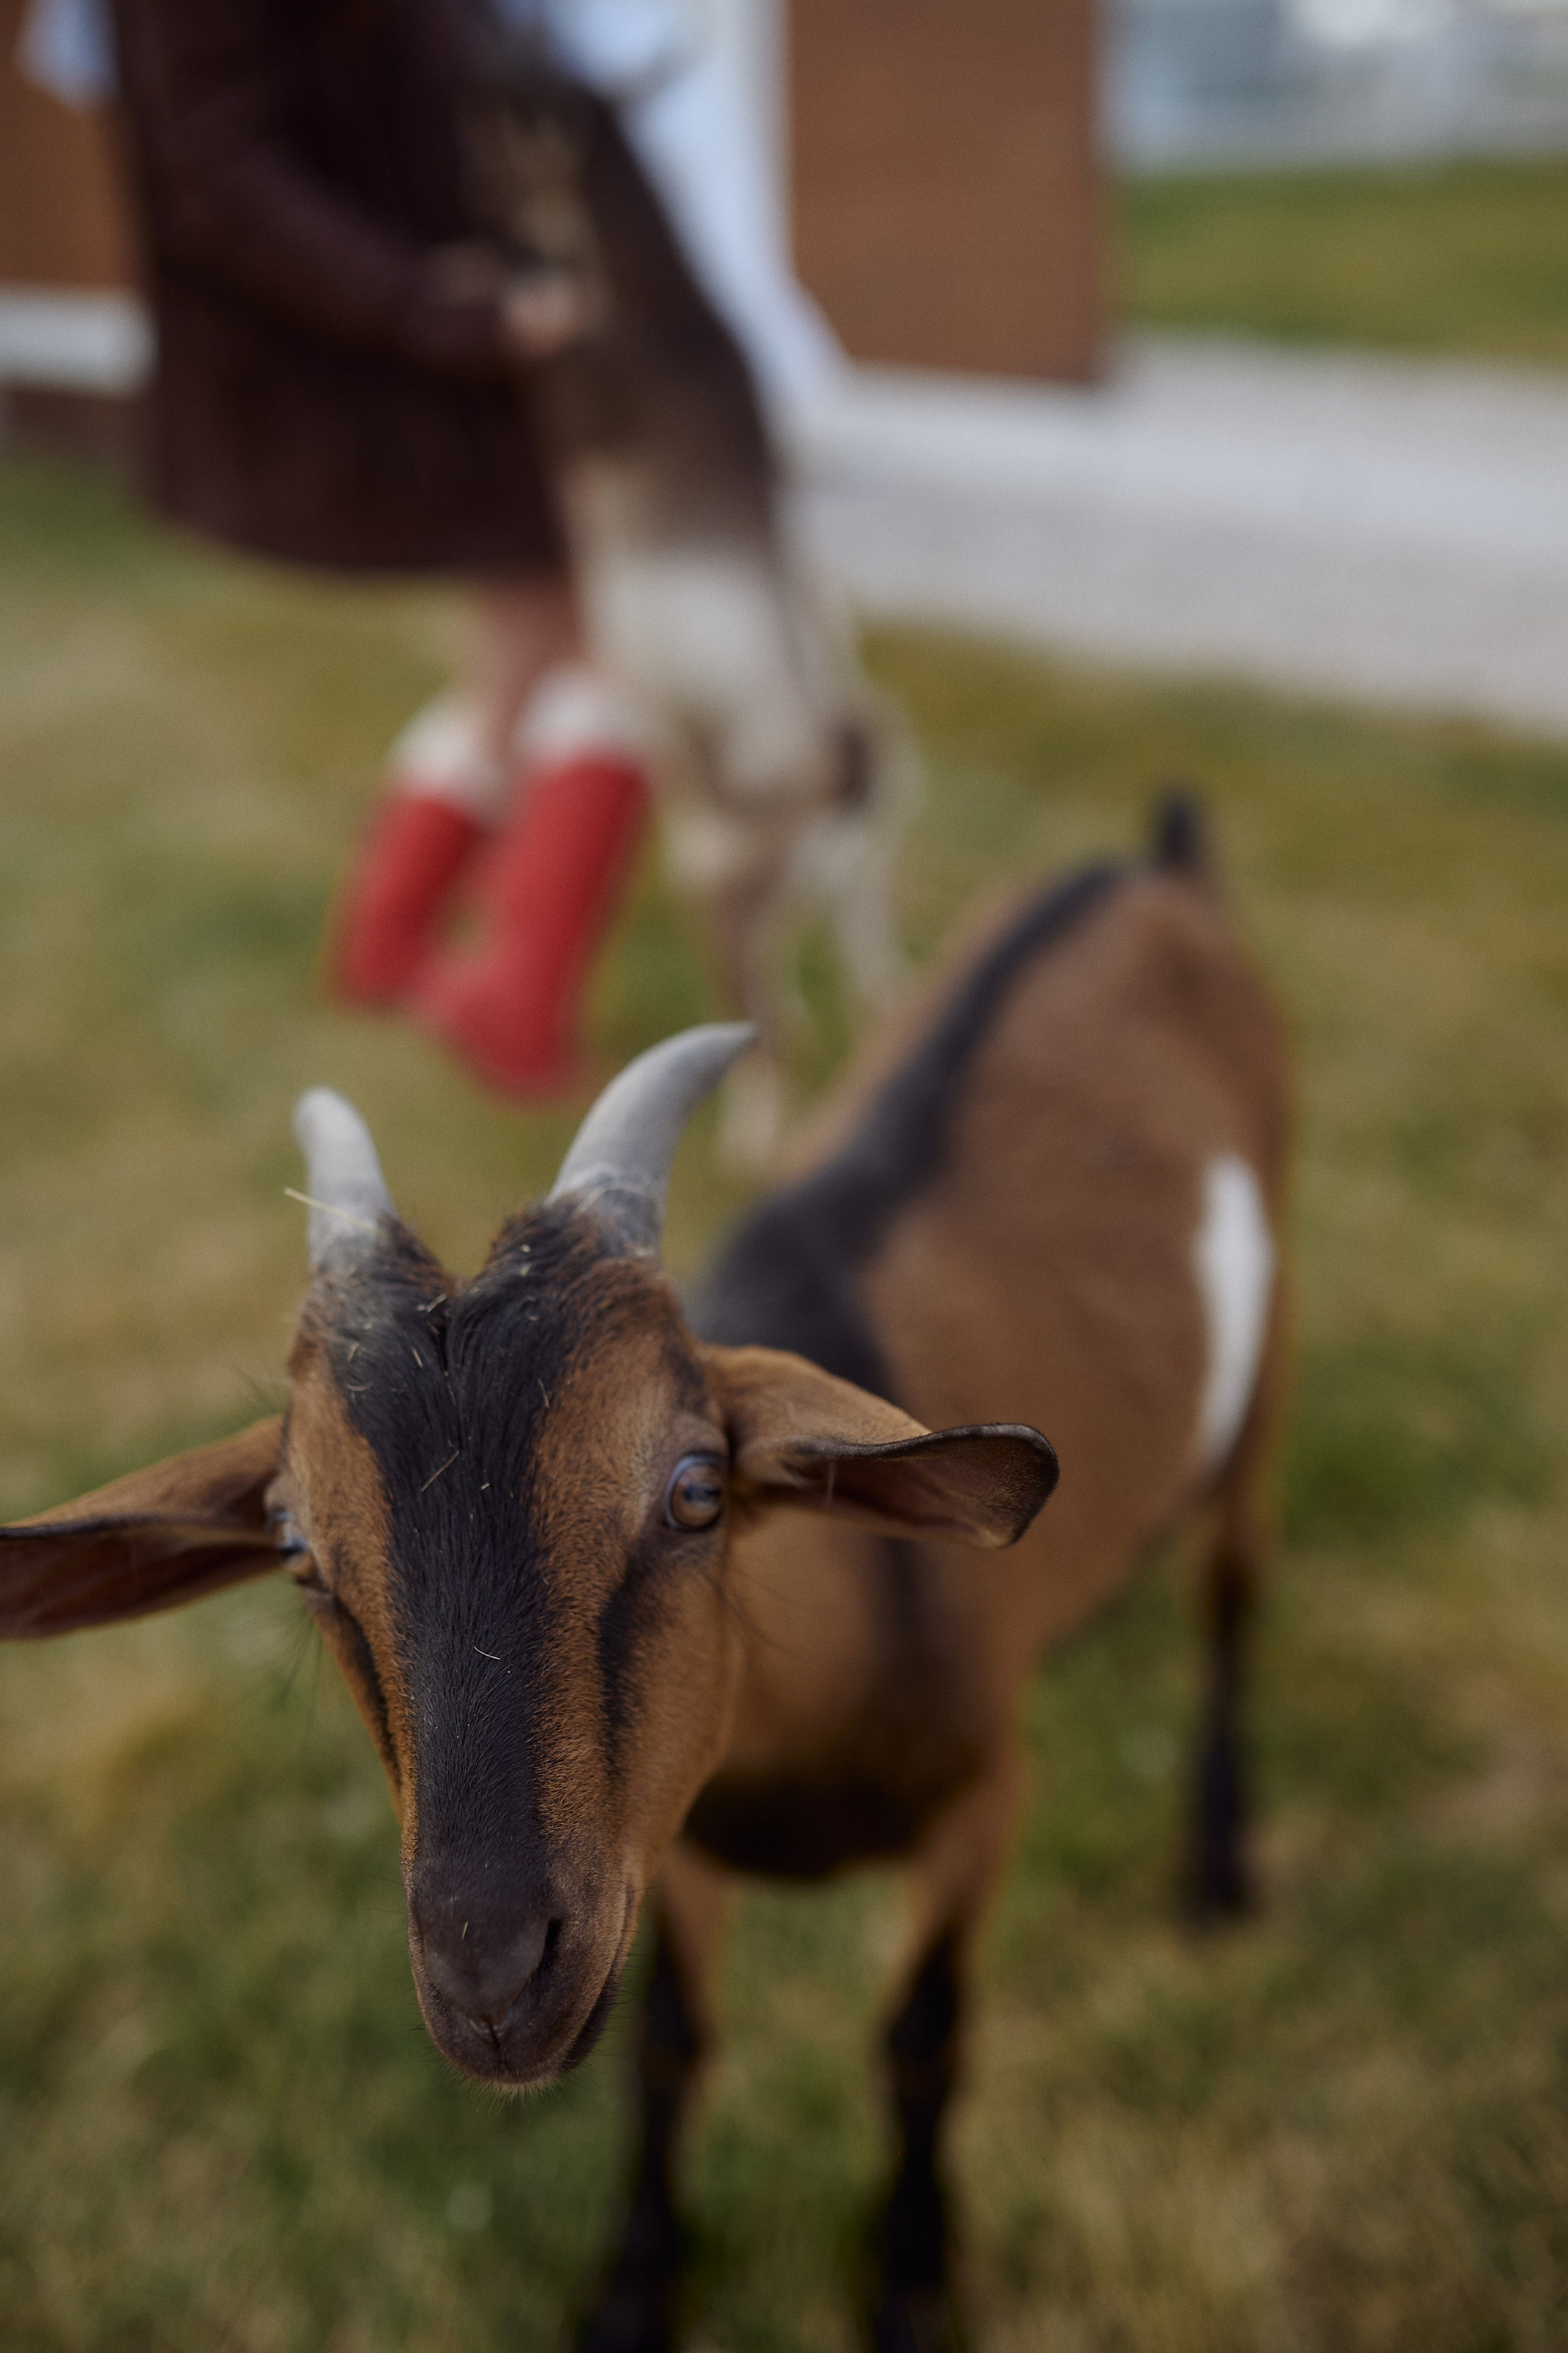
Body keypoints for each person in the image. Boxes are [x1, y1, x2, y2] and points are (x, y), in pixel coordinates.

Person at [22, 0, 657, 1094]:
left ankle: (397, 950)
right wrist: (433, 308)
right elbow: (219, 174)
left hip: (464, 310)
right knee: (597, 645)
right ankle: (501, 994)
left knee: (542, 645)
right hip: (402, 334)